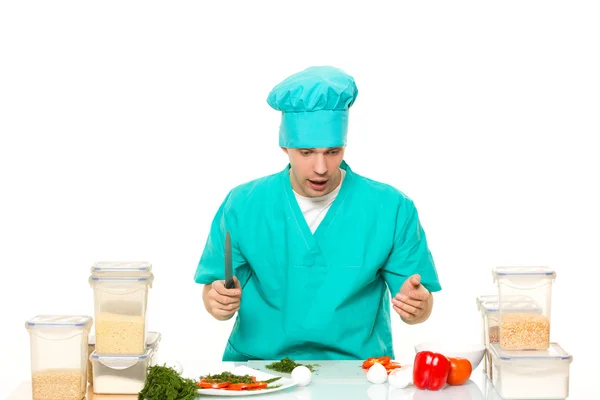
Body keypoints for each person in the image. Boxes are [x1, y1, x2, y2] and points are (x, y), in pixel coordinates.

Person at [194, 66, 442, 362]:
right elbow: (214, 288)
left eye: (333, 151)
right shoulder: (244, 205)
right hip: (258, 369)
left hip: (358, 372)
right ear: (285, 146)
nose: (321, 167)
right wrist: (216, 300)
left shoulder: (391, 208)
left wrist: (419, 306)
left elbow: (418, 304)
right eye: (307, 152)